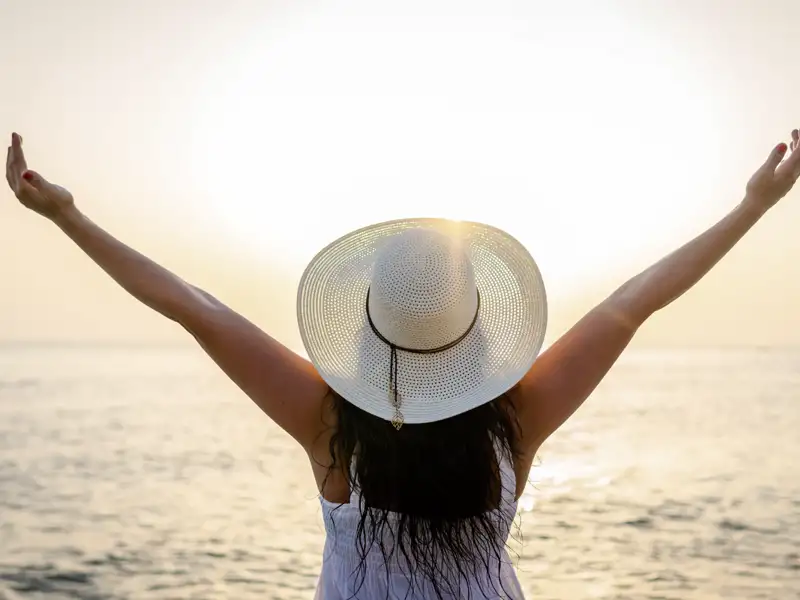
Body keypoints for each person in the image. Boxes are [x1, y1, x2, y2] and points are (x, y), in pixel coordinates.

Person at [4, 128, 800, 599]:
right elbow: (633, 302)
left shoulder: (328, 425)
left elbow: (193, 306)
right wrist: (753, 206)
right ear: (483, 335)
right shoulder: (515, 421)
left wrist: (67, 216)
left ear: (366, 328)